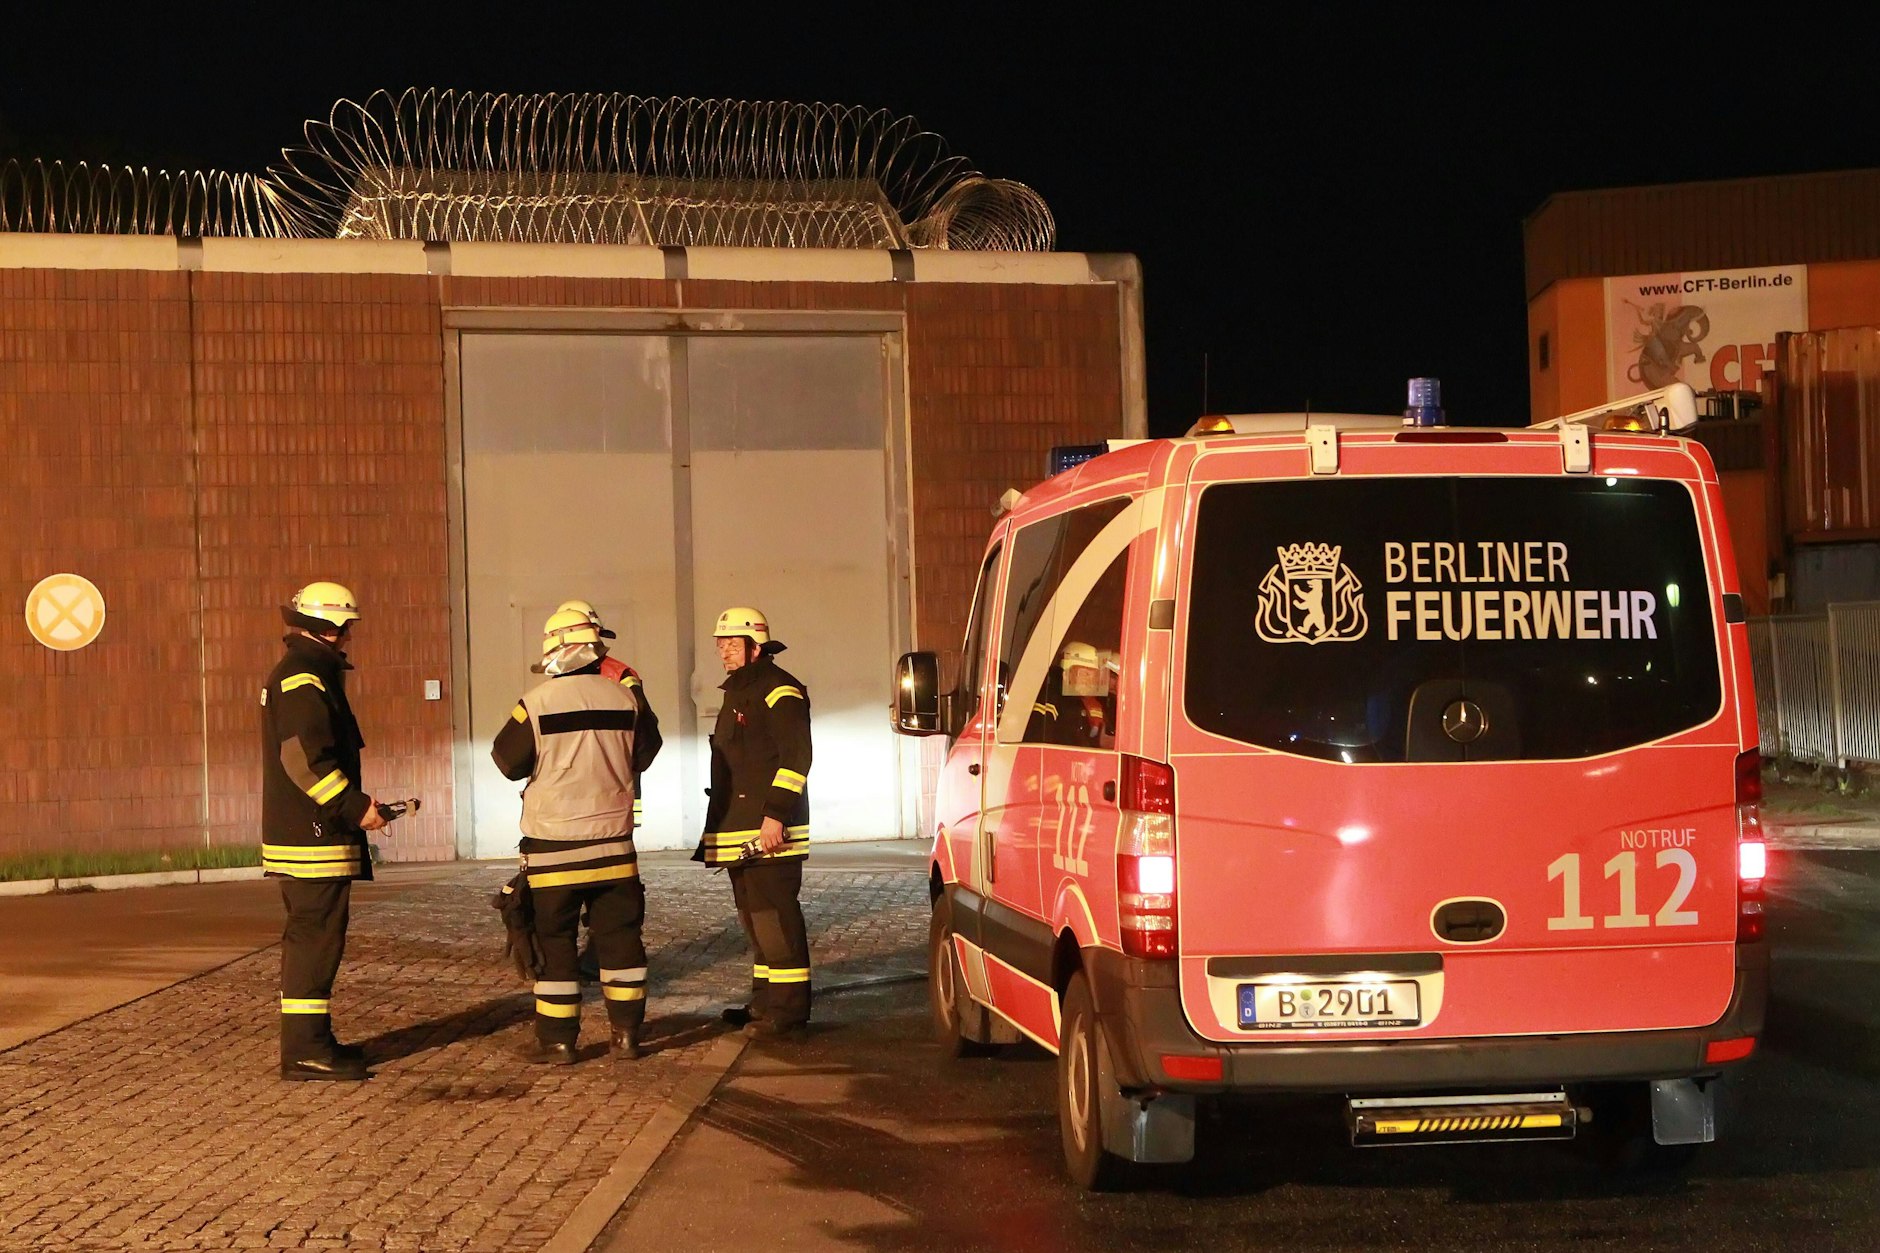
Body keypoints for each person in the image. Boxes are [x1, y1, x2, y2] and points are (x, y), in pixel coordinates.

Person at [493, 608, 662, 1064]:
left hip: (554, 852)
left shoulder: (536, 703)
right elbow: (647, 752)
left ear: (555, 653)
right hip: (614, 845)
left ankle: (559, 1041)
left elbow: (507, 762)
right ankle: (626, 1036)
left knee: (555, 944)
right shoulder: (626, 700)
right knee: (622, 940)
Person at [261, 581, 389, 1082]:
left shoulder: (304, 674)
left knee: (315, 939)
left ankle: (312, 1040)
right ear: (332, 628)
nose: (350, 636)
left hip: (310, 832)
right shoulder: (304, 678)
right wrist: (354, 807)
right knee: (316, 940)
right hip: (313, 836)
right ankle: (305, 1050)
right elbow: (303, 760)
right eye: (348, 627)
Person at [698, 607, 813, 1038]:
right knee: (754, 918)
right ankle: (765, 1002)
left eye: (732, 643)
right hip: (741, 829)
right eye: (720, 642)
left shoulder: (779, 690)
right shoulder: (740, 692)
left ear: (756, 646)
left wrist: (775, 816)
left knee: (775, 917)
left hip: (769, 830)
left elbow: (796, 757)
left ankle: (789, 1010)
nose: (723, 650)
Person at [1026, 640, 1116, 748]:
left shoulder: (1082, 703)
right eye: (1084, 674)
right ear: (1066, 674)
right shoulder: (1050, 698)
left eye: (1093, 676)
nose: (1089, 681)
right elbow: (1039, 743)